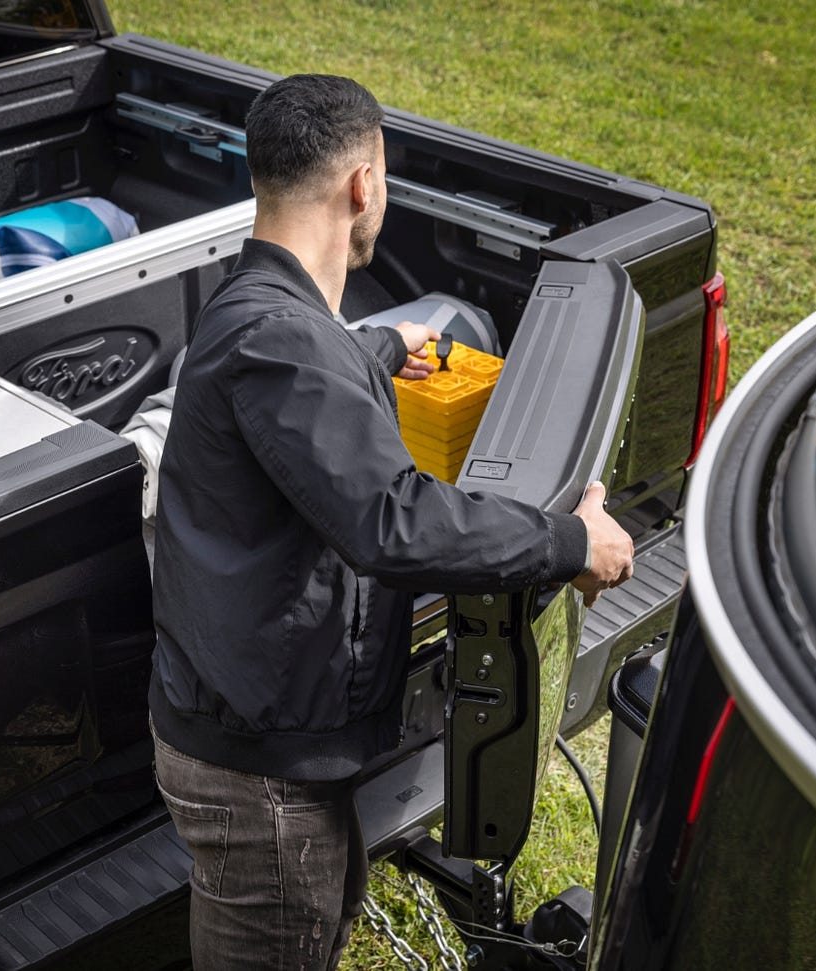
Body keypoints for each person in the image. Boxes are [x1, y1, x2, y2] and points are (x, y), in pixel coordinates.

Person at [148, 73, 633, 971]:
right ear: (363, 186)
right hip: (260, 775)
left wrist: (381, 349)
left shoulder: (265, 311)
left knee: (322, 917)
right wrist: (569, 543)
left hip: (268, 739)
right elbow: (394, 523)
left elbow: (305, 374)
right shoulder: (282, 342)